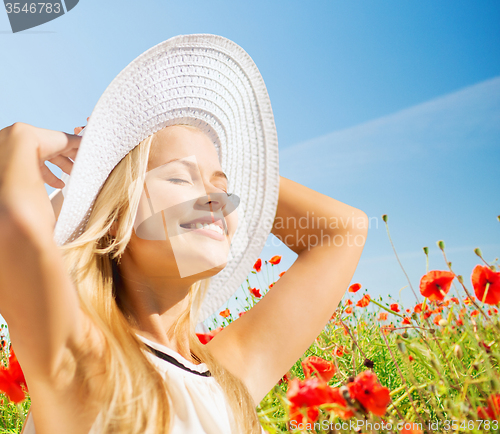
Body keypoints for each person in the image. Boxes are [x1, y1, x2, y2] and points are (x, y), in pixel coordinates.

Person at [0, 34, 368, 434]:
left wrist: (240, 167)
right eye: (179, 177)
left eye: (223, 188)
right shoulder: (83, 359)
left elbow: (342, 230)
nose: (216, 200)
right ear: (114, 219)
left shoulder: (228, 376)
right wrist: (81, 149)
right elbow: (14, 215)